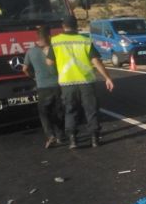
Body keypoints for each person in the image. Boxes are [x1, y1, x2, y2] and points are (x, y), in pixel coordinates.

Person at [46, 15, 114, 149]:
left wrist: (57, 71)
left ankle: (73, 140)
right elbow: (96, 61)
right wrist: (107, 77)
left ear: (63, 26)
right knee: (91, 109)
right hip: (86, 82)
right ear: (76, 26)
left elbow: (49, 62)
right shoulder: (85, 41)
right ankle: (95, 139)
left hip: (67, 83)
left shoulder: (55, 41)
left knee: (70, 111)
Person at [23, 25, 65, 148]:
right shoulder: (55, 49)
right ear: (49, 36)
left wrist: (33, 77)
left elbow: (24, 69)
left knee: (44, 112)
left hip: (42, 86)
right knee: (59, 111)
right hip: (57, 85)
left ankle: (50, 135)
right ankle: (61, 136)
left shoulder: (31, 52)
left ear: (37, 37)